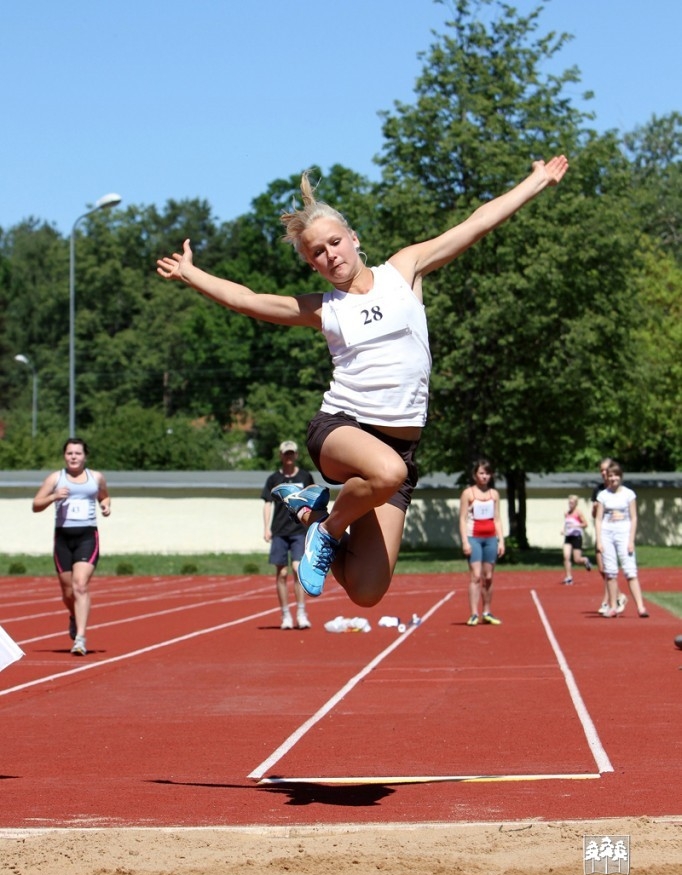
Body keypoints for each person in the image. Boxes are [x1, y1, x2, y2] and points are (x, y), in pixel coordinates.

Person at [157, 155, 569, 607]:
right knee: (386, 471)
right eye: (317, 252)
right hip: (343, 430)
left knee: (367, 589)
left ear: (353, 238)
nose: (330, 254)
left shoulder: (404, 270)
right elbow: (248, 300)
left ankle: (312, 510)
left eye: (335, 242)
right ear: (312, 264)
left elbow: (475, 224)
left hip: (399, 450)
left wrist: (535, 182)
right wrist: (190, 273)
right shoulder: (324, 309)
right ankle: (327, 528)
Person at [32, 438, 111, 656]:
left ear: (85, 456)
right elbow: (35, 505)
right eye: (69, 453)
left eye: (77, 453)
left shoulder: (96, 478)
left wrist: (105, 506)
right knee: (68, 592)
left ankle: (80, 639)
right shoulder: (55, 478)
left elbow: (104, 497)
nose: (73, 457)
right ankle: (74, 616)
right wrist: (54, 496)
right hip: (63, 539)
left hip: (87, 536)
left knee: (80, 585)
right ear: (64, 456)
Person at [261, 440, 314, 630]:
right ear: (281, 456)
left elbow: (313, 502)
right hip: (280, 532)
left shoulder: (305, 476)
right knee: (282, 573)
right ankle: (285, 615)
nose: (289, 457)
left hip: (299, 531)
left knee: (297, 569)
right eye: (286, 454)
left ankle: (301, 612)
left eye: (292, 453)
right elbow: (267, 503)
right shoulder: (274, 479)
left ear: (296, 455)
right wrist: (266, 528)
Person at [594, 461, 649, 618]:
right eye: (610, 476)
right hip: (607, 534)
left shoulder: (629, 494)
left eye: (616, 475)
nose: (613, 479)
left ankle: (640, 606)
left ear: (621, 476)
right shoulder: (603, 495)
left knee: (630, 571)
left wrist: (631, 540)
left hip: (624, 534)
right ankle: (612, 606)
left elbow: (634, 517)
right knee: (610, 572)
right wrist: (599, 540)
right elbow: (598, 519)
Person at [459, 458, 505, 625]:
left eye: (487, 473)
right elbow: (463, 519)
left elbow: (497, 519)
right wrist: (465, 541)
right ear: (474, 475)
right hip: (474, 538)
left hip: (490, 538)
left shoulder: (494, 495)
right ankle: (473, 613)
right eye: (481, 473)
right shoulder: (468, 493)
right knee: (476, 576)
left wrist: (501, 541)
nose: (484, 476)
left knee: (489, 576)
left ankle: (487, 611)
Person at [591, 458, 627, 615]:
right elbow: (595, 516)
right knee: (602, 568)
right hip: (602, 532)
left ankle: (607, 602)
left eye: (606, 470)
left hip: (615, 533)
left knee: (608, 569)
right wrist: (595, 508)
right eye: (601, 470)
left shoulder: (621, 490)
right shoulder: (598, 490)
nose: (603, 473)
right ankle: (619, 596)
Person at [561, 495, 592, 584]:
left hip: (576, 537)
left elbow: (585, 524)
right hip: (568, 537)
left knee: (577, 559)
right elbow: (566, 524)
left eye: (572, 503)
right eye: (569, 502)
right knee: (566, 556)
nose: (570, 504)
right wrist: (563, 530)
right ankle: (568, 577)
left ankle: (585, 560)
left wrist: (576, 526)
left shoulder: (578, 513)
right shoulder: (566, 513)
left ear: (576, 504)